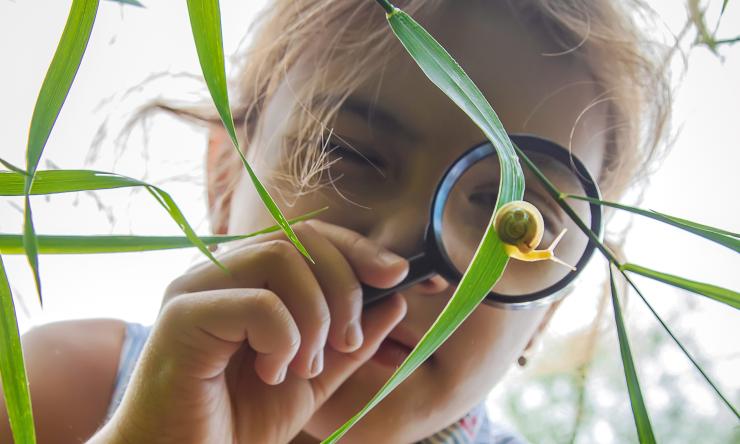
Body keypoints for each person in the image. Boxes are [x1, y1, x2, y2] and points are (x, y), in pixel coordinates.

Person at [0, 0, 671, 442]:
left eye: (514, 221)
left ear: (548, 312)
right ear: (224, 173)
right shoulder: (55, 389)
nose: (407, 254)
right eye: (346, 153)